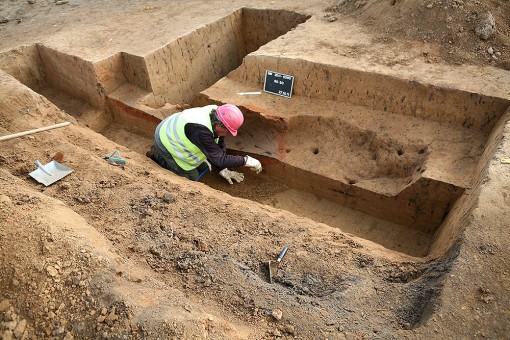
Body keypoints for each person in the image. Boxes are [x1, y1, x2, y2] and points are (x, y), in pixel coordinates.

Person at [146, 104, 262, 184]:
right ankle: (158, 155)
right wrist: (246, 161)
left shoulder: (218, 113)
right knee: (193, 179)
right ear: (218, 125)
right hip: (166, 140)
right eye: (227, 131)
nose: (228, 134)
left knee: (204, 167)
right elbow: (219, 158)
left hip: (176, 130)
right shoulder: (199, 130)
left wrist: (223, 169)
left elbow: (219, 145)